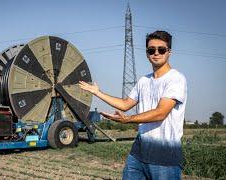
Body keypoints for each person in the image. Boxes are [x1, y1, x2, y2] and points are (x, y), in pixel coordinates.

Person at [79, 30, 187, 180]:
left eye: (161, 49)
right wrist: (98, 92)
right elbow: (125, 104)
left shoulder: (176, 79)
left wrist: (127, 120)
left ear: (169, 52)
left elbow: (160, 113)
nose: (156, 53)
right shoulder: (144, 81)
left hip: (165, 158)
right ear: (147, 53)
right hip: (138, 154)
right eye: (151, 50)